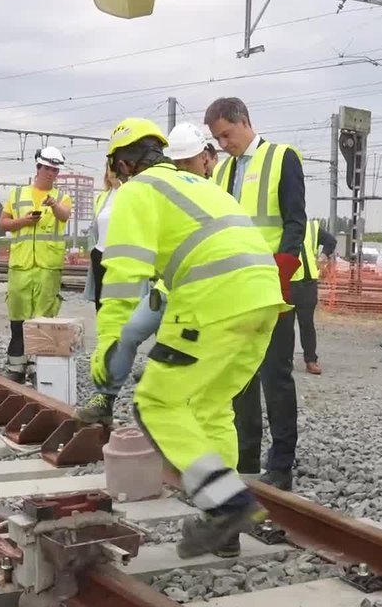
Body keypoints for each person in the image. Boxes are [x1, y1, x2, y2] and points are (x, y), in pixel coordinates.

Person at [92, 117, 287, 559]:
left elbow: (124, 277)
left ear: (123, 164)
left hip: (213, 302)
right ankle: (225, 529)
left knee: (157, 403)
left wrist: (108, 345)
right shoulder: (202, 186)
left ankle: (227, 506)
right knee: (210, 408)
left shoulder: (137, 192)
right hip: (263, 300)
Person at [73, 122, 217, 426]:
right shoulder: (179, 187)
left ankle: (173, 414)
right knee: (131, 334)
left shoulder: (143, 189)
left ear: (124, 164)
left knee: (167, 347)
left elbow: (125, 282)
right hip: (170, 284)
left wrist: (107, 339)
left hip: (189, 290)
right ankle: (107, 398)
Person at [205, 97, 305, 491]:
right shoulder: (223, 171)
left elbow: (295, 220)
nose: (223, 143)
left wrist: (284, 267)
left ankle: (281, 462)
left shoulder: (283, 159)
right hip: (234, 288)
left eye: (226, 135)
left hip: (272, 284)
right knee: (239, 377)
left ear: (244, 121)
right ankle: (245, 456)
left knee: (275, 375)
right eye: (217, 138)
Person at [0, 147, 73, 382]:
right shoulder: (18, 194)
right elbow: (3, 224)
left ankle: (39, 366)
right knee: (18, 317)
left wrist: (53, 205)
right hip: (21, 265)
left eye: (55, 170)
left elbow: (64, 216)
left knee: (43, 319)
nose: (51, 173)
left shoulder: (61, 198)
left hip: (47, 267)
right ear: (38, 168)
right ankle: (16, 366)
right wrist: (23, 221)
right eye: (48, 168)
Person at [291, 218, 337, 375]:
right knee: (284, 326)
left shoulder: (311, 227)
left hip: (307, 282)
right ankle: (285, 360)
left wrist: (324, 255)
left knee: (307, 324)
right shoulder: (280, 224)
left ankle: (311, 360)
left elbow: (331, 241)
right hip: (286, 280)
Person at [83, 166, 122, 312]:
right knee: (101, 306)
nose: (112, 172)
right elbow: (93, 227)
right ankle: (103, 334)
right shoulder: (102, 197)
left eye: (115, 167)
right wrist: (92, 250)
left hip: (120, 257)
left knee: (118, 305)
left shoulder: (131, 193)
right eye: (109, 168)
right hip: (100, 255)